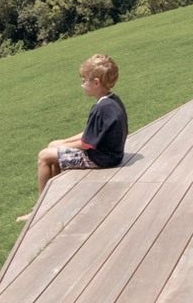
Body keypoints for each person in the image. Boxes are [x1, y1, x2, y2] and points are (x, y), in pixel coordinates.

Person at [19, 53, 126, 222]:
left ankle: (40, 210)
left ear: (96, 83)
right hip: (111, 154)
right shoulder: (112, 101)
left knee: (44, 156)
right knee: (53, 145)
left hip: (101, 158)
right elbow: (89, 134)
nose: (82, 85)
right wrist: (61, 143)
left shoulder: (100, 109)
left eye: (84, 81)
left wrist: (63, 146)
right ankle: (54, 201)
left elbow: (85, 144)